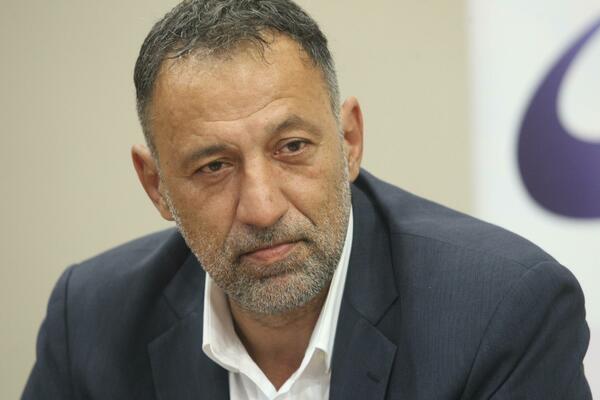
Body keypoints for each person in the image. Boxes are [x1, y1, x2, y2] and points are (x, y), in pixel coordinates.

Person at [23, 0, 591, 399]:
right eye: (214, 166)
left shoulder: (500, 312)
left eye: (291, 147)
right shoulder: (92, 322)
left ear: (349, 141)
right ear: (157, 187)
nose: (262, 208)